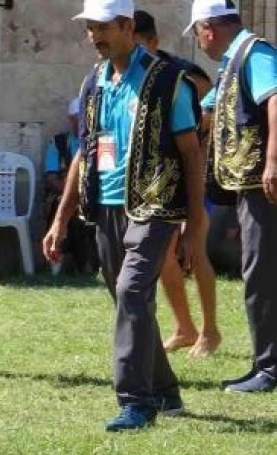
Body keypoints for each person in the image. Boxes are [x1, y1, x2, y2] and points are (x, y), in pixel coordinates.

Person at [44, 0, 207, 430]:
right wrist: (61, 217)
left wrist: (195, 221)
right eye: (89, 29)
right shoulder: (95, 81)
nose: (93, 37)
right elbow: (85, 150)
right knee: (127, 301)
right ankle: (166, 392)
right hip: (107, 207)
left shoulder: (169, 81)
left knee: (132, 293)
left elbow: (191, 154)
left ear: (126, 26)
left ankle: (135, 401)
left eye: (102, 28)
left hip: (156, 207)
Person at [188, 0, 277, 392]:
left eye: (196, 33)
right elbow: (203, 108)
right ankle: (265, 362)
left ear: (208, 28)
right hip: (248, 185)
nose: (198, 42)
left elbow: (275, 100)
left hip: (264, 185)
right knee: (259, 271)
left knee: (261, 274)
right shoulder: (231, 64)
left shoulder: (253, 53)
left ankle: (270, 368)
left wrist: (273, 160)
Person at [133, 9, 221, 358]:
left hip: (192, 175)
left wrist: (196, 188)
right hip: (156, 183)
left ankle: (210, 331)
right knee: (163, 256)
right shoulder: (127, 77)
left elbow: (207, 128)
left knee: (194, 248)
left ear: (153, 42)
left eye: (139, 45)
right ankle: (185, 328)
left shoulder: (186, 76)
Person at [45, 97, 98, 275]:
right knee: (66, 208)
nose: (83, 122)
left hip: (93, 195)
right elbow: (51, 178)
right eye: (78, 118)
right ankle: (59, 262)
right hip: (64, 196)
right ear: (71, 120)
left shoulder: (99, 143)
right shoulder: (58, 143)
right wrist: (73, 196)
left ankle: (90, 263)